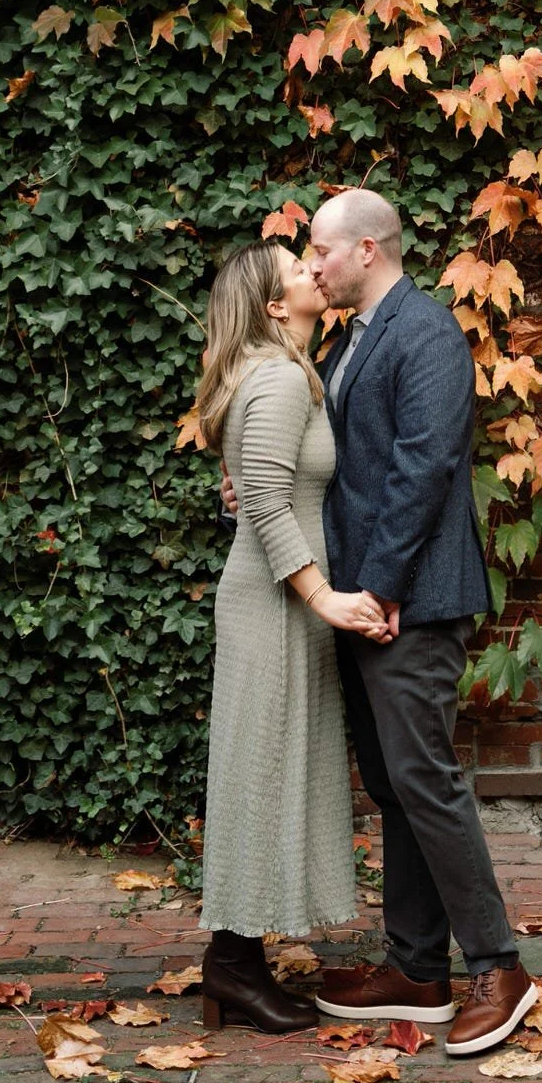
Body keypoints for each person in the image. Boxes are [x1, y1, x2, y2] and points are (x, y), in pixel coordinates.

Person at [305, 187, 537, 1058]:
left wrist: (384, 588)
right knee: (394, 784)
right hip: (369, 599)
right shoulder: (352, 339)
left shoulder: (427, 332)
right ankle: (416, 967)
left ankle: (498, 967)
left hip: (411, 602)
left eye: (323, 250)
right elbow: (349, 472)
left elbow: (423, 468)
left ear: (368, 249)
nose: (314, 265)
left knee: (425, 777)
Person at [195, 239, 392, 1032]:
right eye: (297, 269)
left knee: (269, 775)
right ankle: (233, 967)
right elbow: (270, 506)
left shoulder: (290, 374)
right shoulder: (278, 378)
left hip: (280, 598)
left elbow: (256, 490)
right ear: (276, 307)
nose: (315, 270)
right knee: (258, 778)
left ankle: (238, 961)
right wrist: (325, 597)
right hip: (276, 603)